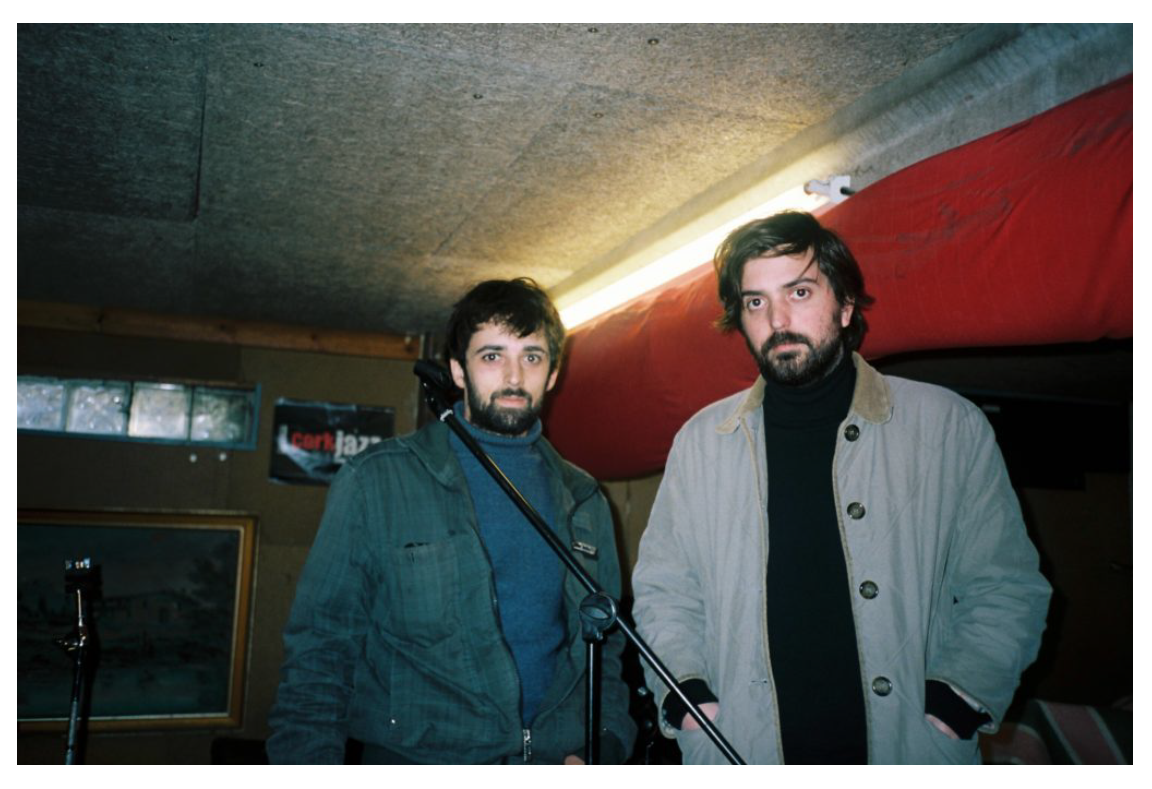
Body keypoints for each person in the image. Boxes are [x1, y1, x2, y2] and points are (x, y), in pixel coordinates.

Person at [630, 211, 1051, 764]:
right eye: (755, 302)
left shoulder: (947, 426)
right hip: (742, 750)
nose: (777, 319)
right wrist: (685, 692)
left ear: (846, 305)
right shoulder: (702, 442)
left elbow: (1006, 585)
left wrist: (963, 695)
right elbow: (665, 589)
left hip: (907, 752)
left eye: (799, 292)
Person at [267, 278, 635, 764]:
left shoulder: (585, 499)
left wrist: (605, 746)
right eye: (492, 356)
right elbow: (320, 650)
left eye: (531, 357)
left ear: (552, 374)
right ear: (458, 370)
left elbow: (607, 650)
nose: (513, 376)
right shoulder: (377, 480)